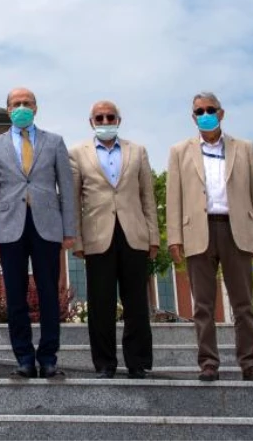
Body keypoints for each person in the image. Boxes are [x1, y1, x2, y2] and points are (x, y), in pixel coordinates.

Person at [167, 91, 253, 383]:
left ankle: (250, 362)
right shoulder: (179, 151)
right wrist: (174, 237)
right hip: (198, 231)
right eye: (199, 111)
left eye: (210, 109)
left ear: (221, 113)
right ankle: (208, 362)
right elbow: (174, 195)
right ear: (193, 117)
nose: (205, 115)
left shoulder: (244, 148)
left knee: (243, 302)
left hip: (235, 229)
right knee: (203, 305)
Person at [0, 88, 76, 379]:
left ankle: (48, 357)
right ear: (9, 110)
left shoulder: (55, 142)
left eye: (26, 103)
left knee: (50, 294)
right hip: (9, 227)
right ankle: (23, 357)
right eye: (16, 104)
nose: (21, 107)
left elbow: (67, 188)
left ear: (36, 108)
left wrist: (69, 229)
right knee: (16, 297)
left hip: (47, 226)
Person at [69, 100, 159, 379]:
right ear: (91, 122)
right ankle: (105, 363)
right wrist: (78, 241)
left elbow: (147, 196)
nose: (105, 121)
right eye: (100, 117)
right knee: (100, 303)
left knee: (136, 302)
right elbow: (73, 201)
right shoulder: (77, 154)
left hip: (134, 234)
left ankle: (138, 361)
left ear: (118, 120)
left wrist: (153, 237)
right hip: (98, 237)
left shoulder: (138, 151)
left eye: (110, 117)